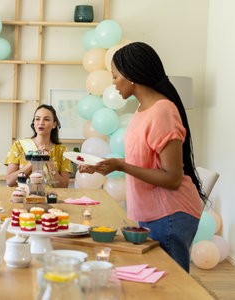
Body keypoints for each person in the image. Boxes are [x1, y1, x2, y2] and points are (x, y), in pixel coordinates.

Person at [78, 42, 205, 272]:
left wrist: (122, 166)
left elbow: (172, 178)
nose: (113, 83)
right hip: (152, 213)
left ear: (131, 76)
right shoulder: (142, 109)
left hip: (170, 214)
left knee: (170, 287)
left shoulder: (162, 111)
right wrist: (102, 166)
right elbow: (143, 162)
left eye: (115, 76)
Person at [4, 104, 73, 188]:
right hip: (23, 198)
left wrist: (49, 162)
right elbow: (9, 181)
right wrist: (33, 162)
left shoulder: (63, 151)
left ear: (54, 124)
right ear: (34, 123)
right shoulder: (19, 146)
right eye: (37, 119)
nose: (41, 123)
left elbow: (63, 186)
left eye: (46, 119)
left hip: (51, 199)